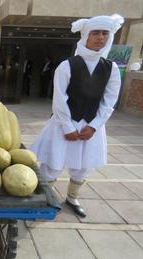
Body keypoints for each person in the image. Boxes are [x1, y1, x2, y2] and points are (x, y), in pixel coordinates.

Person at [31, 14, 124, 218]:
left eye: (104, 33)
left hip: (90, 127)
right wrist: (68, 127)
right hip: (64, 123)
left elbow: (109, 101)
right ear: (85, 36)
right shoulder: (67, 65)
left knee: (83, 166)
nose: (100, 37)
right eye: (96, 33)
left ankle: (72, 198)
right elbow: (59, 99)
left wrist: (94, 126)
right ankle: (43, 198)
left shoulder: (112, 69)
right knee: (53, 164)